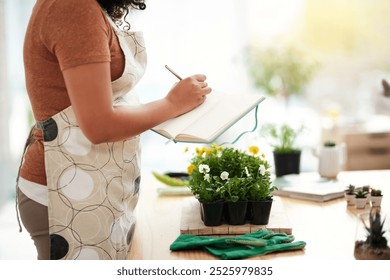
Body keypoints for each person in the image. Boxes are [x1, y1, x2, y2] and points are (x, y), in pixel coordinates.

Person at [17, 0, 211, 260]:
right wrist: (172, 103)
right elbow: (99, 124)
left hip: (84, 184)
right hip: (64, 188)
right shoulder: (72, 7)